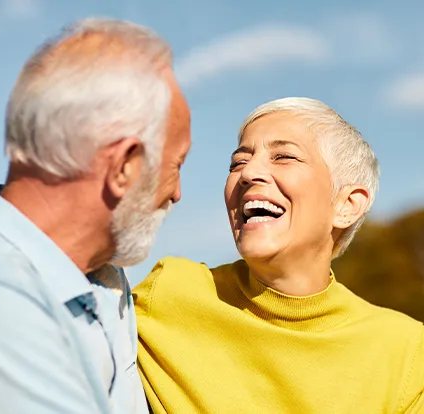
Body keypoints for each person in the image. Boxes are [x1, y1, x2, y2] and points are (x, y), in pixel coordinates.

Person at [134, 98, 424, 413]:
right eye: (237, 163)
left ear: (347, 205)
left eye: (283, 156)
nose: (248, 173)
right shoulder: (168, 292)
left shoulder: (407, 353)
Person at [0, 18, 191, 414]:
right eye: (177, 164)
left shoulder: (102, 275)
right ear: (124, 168)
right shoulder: (0, 304)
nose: (177, 194)